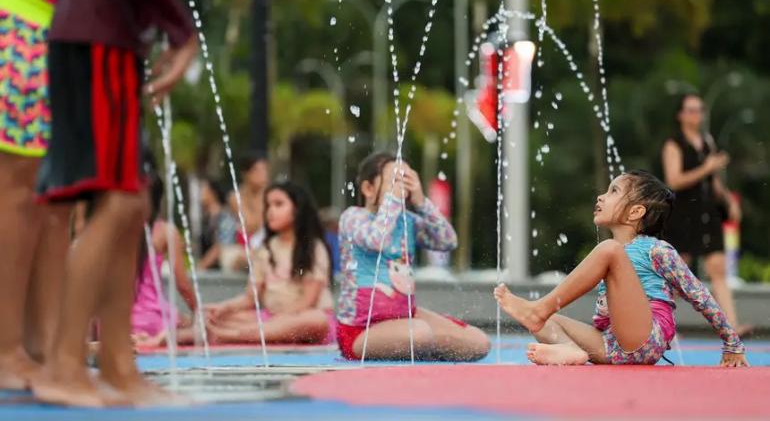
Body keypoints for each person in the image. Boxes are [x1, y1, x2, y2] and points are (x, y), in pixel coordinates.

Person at [32, 0, 231, 407]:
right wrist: (182, 32)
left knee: (132, 203)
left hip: (99, 35)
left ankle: (119, 366)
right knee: (119, 203)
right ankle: (63, 366)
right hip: (96, 37)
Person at [494, 170, 748, 367]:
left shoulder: (656, 249)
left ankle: (539, 309)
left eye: (613, 191)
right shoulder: (612, 253)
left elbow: (698, 294)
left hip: (646, 337)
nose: (601, 196)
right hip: (611, 344)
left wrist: (732, 343)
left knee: (609, 251)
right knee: (546, 323)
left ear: (635, 211)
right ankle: (571, 349)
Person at [0, 0, 69, 390]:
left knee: (53, 195)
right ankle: (6, 349)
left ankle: (42, 344)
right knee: (18, 189)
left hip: (56, 18)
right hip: (16, 10)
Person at [336, 151, 490, 361]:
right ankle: (417, 346)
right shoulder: (353, 217)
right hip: (360, 330)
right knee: (420, 333)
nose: (403, 188)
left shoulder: (406, 221)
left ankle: (417, 347)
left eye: (407, 181)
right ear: (368, 189)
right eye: (395, 181)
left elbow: (447, 240)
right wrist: (392, 199)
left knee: (477, 343)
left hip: (406, 319)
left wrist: (421, 201)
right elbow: (377, 240)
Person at [205, 181, 336, 345]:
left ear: (298, 209)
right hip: (271, 318)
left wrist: (279, 319)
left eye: (278, 204)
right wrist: (224, 308)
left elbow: (308, 301)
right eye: (268, 206)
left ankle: (233, 335)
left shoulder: (313, 248)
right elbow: (250, 298)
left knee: (317, 320)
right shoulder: (265, 250)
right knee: (218, 317)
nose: (270, 211)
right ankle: (251, 332)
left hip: (303, 317)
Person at [661, 93, 748, 334]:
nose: (696, 115)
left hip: (707, 211)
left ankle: (731, 326)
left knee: (718, 268)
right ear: (680, 115)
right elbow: (674, 180)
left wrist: (729, 201)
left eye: (699, 109)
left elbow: (714, 181)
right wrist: (706, 167)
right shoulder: (673, 144)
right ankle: (659, 324)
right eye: (691, 110)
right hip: (683, 212)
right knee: (677, 274)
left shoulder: (707, 141)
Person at [131, 169, 199, 348]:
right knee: (196, 327)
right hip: (152, 318)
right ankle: (159, 338)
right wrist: (198, 312)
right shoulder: (165, 231)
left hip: (113, 320)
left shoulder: (114, 229)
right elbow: (182, 285)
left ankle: (137, 338)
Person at [196, 177, 237, 270]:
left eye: (203, 190)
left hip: (222, 271)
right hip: (210, 270)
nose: (200, 194)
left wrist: (201, 267)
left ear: (212, 193)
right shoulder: (207, 218)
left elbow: (221, 246)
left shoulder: (224, 217)